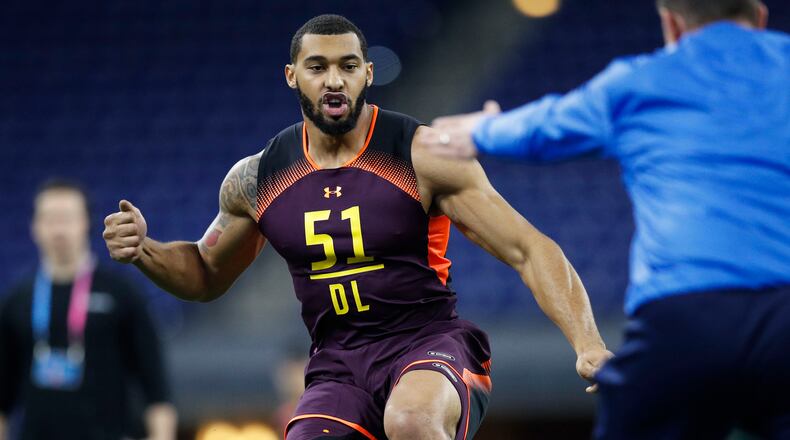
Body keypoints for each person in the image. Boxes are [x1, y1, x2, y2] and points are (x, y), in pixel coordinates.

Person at [102, 14, 611, 440]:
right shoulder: (257, 178)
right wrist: (144, 249)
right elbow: (206, 273)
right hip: (338, 363)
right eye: (317, 67)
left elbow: (529, 248)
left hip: (429, 345)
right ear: (291, 76)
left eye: (347, 66)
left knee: (410, 420)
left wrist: (587, 344)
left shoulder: (421, 155)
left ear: (367, 73)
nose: (333, 80)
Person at [424, 0, 790, 438]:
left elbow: (544, 127)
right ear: (761, 18)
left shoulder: (639, 82)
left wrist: (480, 131)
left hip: (684, 318)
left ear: (671, 23)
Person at [0, 179, 177, 440]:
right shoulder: (16, 302)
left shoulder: (122, 295)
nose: (58, 229)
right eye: (49, 219)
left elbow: (157, 391)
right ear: (34, 227)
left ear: (86, 223)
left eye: (67, 218)